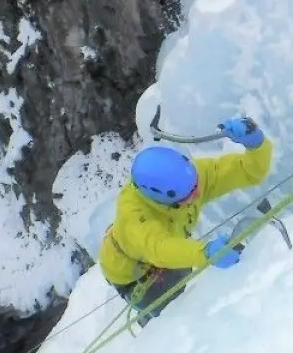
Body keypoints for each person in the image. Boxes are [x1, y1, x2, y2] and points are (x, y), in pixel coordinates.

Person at [99, 116, 273, 325]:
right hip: (128, 271)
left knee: (182, 274)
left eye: (195, 187)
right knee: (166, 308)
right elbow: (160, 249)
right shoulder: (135, 218)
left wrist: (257, 144)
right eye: (187, 196)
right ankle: (148, 318)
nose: (197, 194)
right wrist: (205, 252)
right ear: (162, 198)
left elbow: (248, 172)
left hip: (164, 246)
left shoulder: (189, 179)